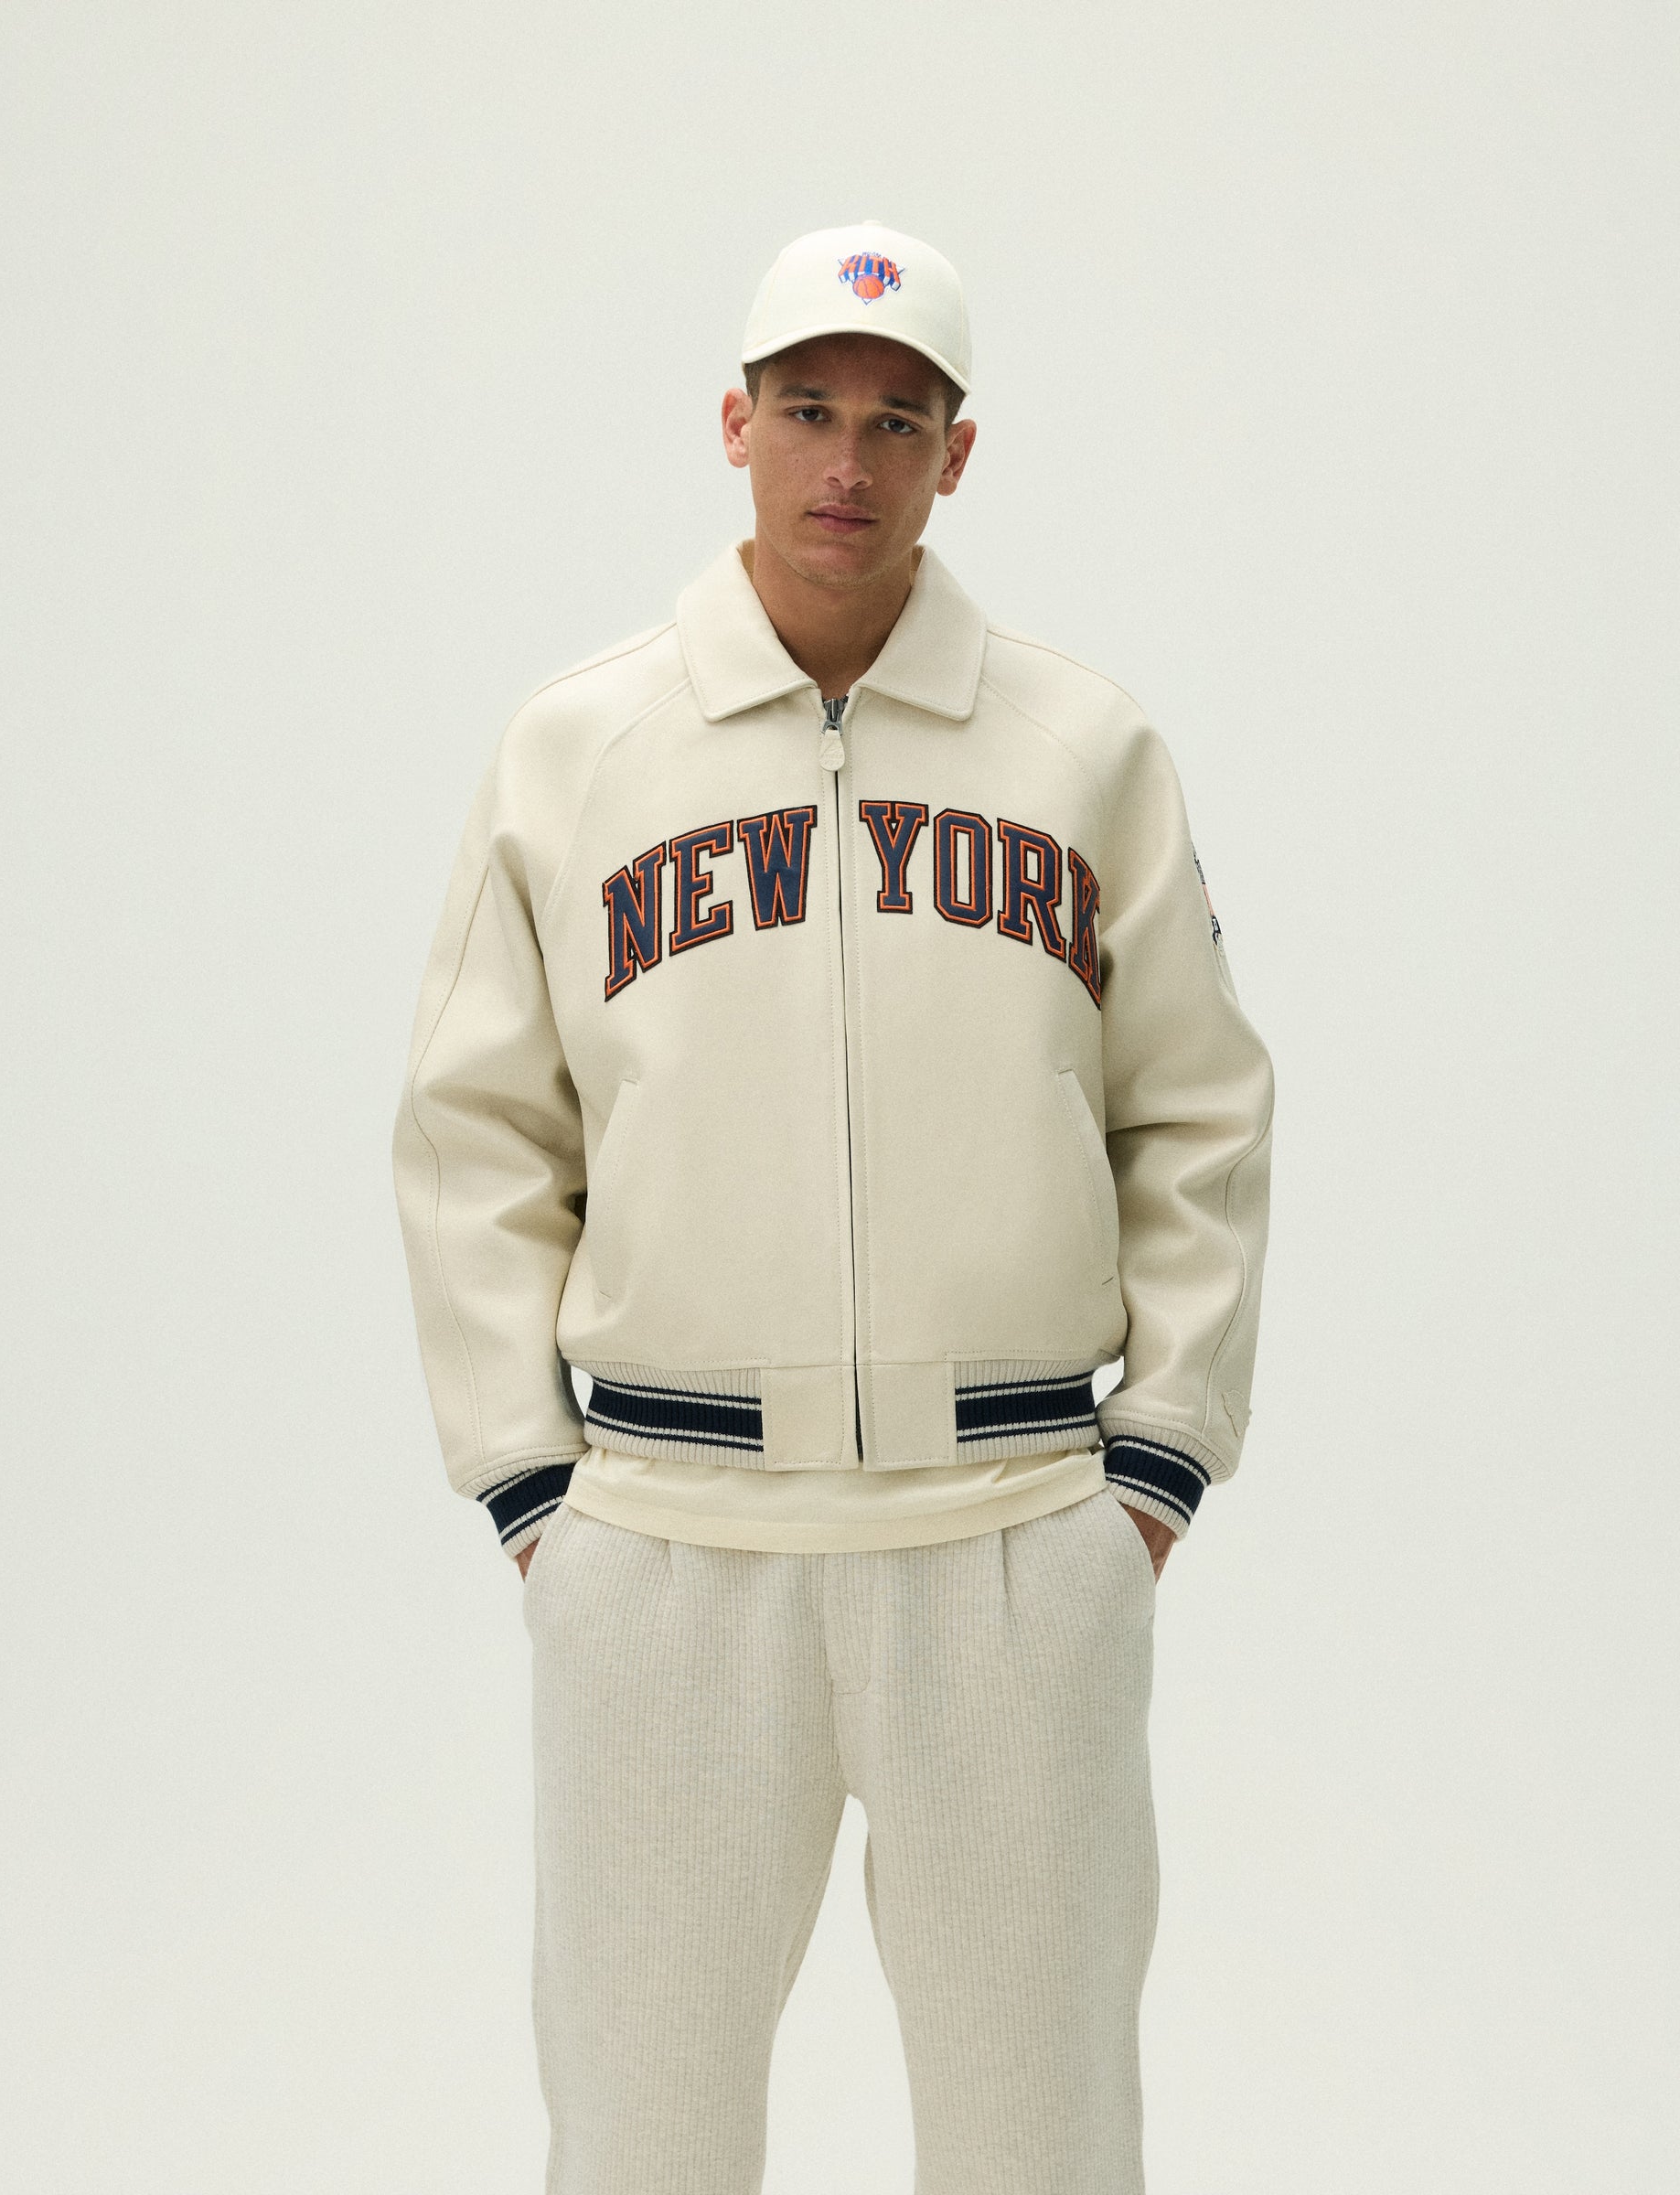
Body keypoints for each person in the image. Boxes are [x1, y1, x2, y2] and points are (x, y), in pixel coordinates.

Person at [391, 218, 1274, 2194]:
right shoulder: (580, 748)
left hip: (1014, 1535)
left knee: (1044, 2137)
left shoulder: (1083, 749)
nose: (846, 463)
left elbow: (1200, 1113)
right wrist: (532, 1489)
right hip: (667, 1545)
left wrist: (1154, 1467)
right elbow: (475, 1131)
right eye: (807, 409)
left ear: (960, 452)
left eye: (896, 420)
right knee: (643, 2138)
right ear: (735, 425)